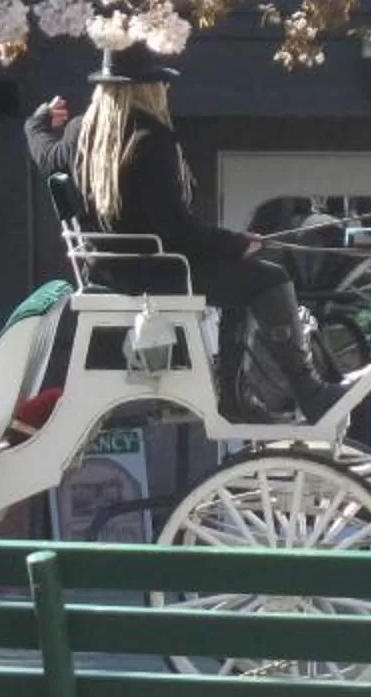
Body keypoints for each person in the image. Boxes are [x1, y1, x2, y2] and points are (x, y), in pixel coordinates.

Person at [30, 43, 340, 421]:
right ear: (147, 88)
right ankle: (303, 391)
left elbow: (45, 154)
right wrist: (237, 244)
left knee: (243, 279)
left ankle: (237, 396)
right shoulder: (151, 141)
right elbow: (176, 232)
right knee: (268, 279)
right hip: (156, 268)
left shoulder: (81, 134)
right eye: (161, 83)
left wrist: (38, 122)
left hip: (111, 269)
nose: (167, 91)